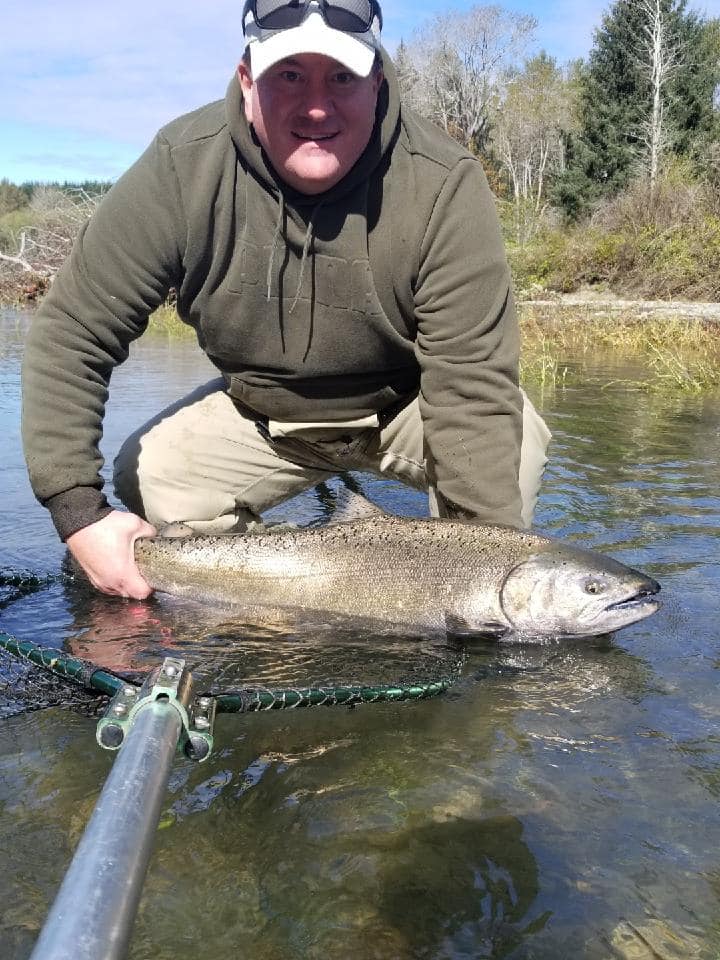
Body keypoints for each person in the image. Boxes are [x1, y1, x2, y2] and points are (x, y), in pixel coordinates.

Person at [22, 0, 551, 601]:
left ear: (377, 82)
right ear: (248, 82)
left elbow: (472, 384)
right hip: (261, 414)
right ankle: (265, 613)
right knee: (149, 476)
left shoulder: (444, 182)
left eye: (342, 77)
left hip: (407, 409)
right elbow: (72, 334)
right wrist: (79, 514)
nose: (317, 106)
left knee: (517, 449)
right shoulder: (181, 167)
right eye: (289, 75)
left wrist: (483, 579)